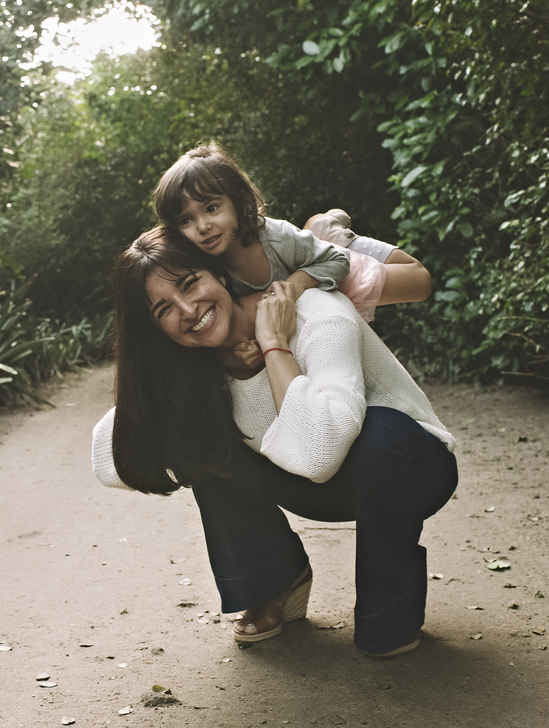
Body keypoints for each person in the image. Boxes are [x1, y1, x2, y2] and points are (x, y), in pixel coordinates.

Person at [91, 226, 458, 657]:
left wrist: (273, 345)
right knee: (197, 433)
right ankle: (273, 582)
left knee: (379, 433)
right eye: (164, 310)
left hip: (411, 467)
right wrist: (174, 380)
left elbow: (321, 450)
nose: (189, 310)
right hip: (317, 481)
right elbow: (111, 460)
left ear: (221, 275)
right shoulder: (195, 365)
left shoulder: (317, 312)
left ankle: (386, 611)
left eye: (191, 284)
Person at [153, 143, 431, 341]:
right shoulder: (204, 270)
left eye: (212, 208)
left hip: (330, 265)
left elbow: (336, 261)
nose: (202, 226)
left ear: (239, 202)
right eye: (186, 220)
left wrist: (296, 283)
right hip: (305, 260)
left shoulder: (275, 236)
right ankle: (315, 234)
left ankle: (328, 231)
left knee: (418, 282)